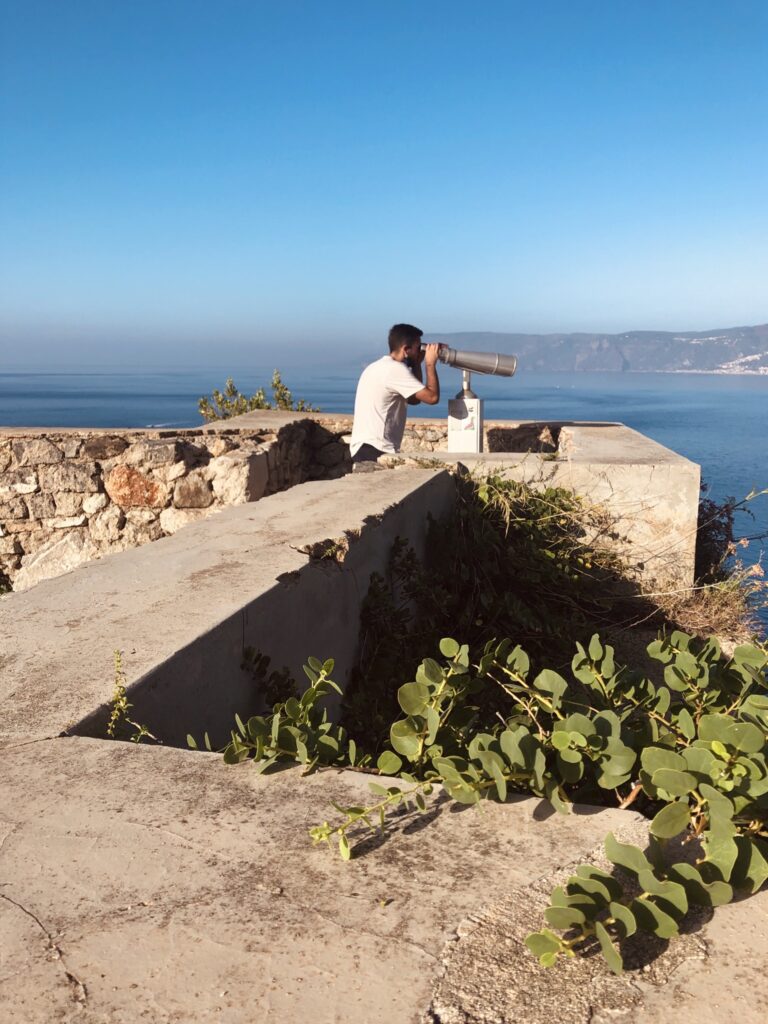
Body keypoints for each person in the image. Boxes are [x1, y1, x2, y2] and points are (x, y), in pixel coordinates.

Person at [349, 324, 441, 464]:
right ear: (406, 349)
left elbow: (414, 399)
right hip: (375, 448)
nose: (419, 352)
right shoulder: (395, 370)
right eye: (417, 348)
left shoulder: (376, 367)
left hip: (365, 447)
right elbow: (432, 397)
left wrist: (416, 364)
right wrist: (430, 364)